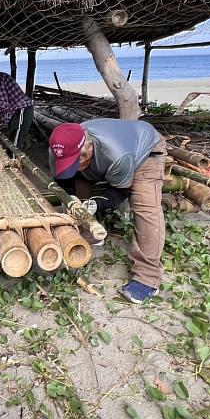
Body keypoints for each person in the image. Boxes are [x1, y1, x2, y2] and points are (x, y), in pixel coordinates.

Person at [48, 120, 167, 304]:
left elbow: (121, 191)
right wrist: (72, 198)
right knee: (78, 197)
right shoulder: (59, 149)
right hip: (103, 155)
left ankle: (148, 277)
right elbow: (64, 179)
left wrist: (97, 203)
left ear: (89, 145)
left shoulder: (117, 155)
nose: (75, 165)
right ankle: (91, 235)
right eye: (68, 161)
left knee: (145, 205)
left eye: (78, 159)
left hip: (146, 151)